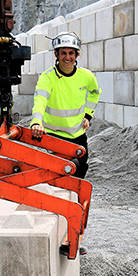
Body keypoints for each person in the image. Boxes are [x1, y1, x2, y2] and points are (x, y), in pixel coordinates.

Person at [30, 31, 101, 179]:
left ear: (77, 55)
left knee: (79, 175)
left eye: (71, 53)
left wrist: (88, 115)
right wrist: (36, 122)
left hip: (77, 135)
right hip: (53, 136)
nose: (67, 57)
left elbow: (95, 93)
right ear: (56, 54)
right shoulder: (47, 77)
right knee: (55, 177)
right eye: (63, 53)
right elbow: (40, 100)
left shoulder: (86, 76)